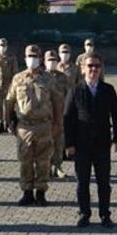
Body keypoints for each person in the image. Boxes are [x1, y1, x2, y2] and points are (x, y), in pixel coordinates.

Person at [63, 53, 117, 227]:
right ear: (82, 69)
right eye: (90, 66)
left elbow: (116, 115)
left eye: (97, 66)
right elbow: (67, 118)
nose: (93, 69)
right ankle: (84, 213)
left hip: (102, 143)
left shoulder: (108, 89)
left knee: (104, 182)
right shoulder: (75, 90)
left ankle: (105, 214)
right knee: (83, 182)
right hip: (81, 145)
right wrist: (69, 144)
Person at [4, 44, 63, 205]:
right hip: (25, 127)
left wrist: (58, 124)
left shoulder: (48, 79)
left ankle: (41, 192)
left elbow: (57, 103)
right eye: (30, 56)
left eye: (35, 56)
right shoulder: (18, 78)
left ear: (40, 58)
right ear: (25, 58)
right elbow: (10, 101)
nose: (32, 59)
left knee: (43, 161)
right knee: (25, 161)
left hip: (44, 126)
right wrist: (9, 121)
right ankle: (27, 192)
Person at [44, 49, 72, 178]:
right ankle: (46, 167)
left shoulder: (63, 78)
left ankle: (58, 166)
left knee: (59, 142)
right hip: (45, 116)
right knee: (45, 143)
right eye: (49, 60)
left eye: (54, 60)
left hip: (60, 115)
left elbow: (69, 95)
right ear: (44, 62)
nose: (52, 63)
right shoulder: (41, 77)